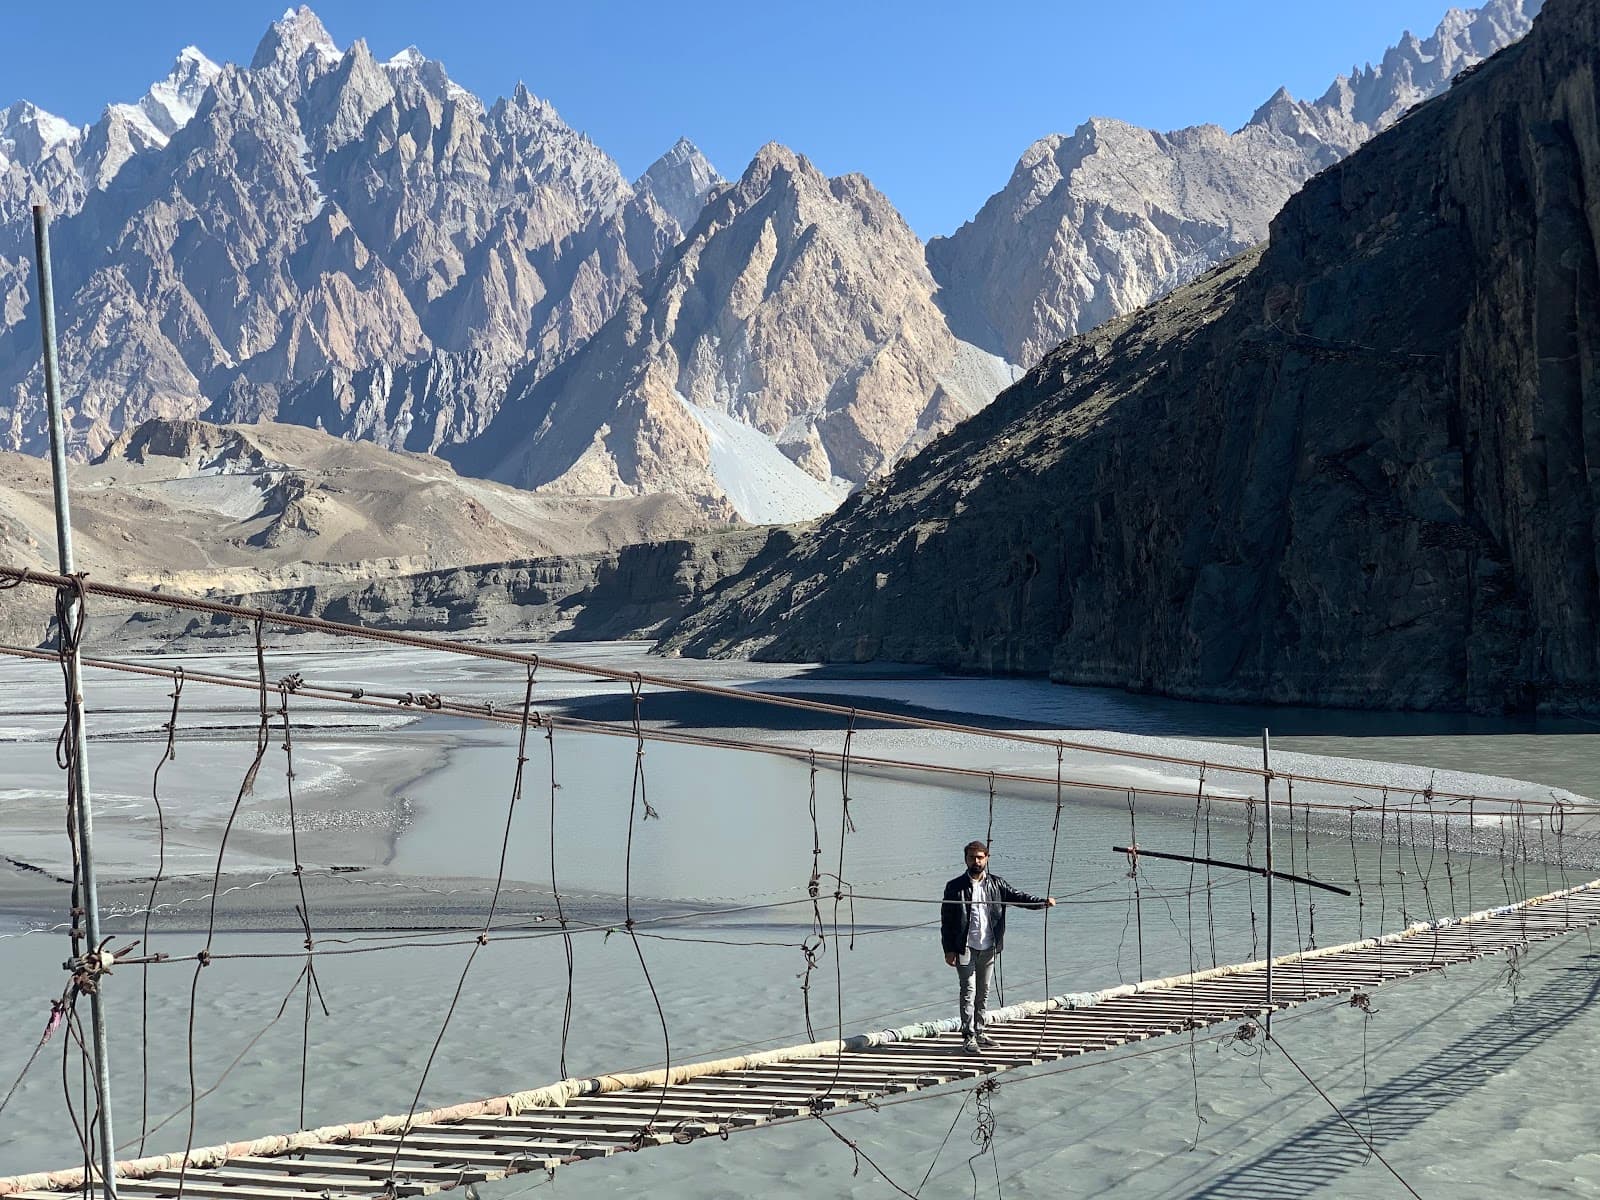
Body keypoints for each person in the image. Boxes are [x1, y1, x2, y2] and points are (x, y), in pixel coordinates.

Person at [941, 840, 1055, 1054]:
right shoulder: (954, 887)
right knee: (968, 990)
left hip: (989, 947)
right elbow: (946, 921)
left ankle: (981, 1030)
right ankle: (968, 1036)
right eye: (972, 857)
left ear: (987, 858)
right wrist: (948, 949)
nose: (976, 861)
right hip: (964, 947)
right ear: (965, 859)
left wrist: (1042, 903)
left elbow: (1019, 897)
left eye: (980, 857)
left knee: (983, 992)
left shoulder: (997, 884)